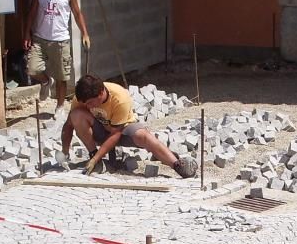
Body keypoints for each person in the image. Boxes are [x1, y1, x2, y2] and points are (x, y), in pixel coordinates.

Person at [63, 74, 198, 179]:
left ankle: (177, 165)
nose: (88, 106)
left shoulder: (120, 97)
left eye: (91, 103)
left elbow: (115, 135)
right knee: (76, 115)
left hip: (121, 132)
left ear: (100, 93)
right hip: (99, 131)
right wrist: (64, 154)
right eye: (86, 104)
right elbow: (68, 126)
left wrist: (94, 159)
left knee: (143, 136)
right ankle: (96, 161)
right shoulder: (82, 98)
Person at [23, 0, 91, 115]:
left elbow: (78, 14)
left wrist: (84, 33)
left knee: (62, 75)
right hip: (40, 38)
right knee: (32, 68)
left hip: (60, 40)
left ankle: (60, 107)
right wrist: (27, 33)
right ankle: (46, 81)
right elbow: (32, 12)